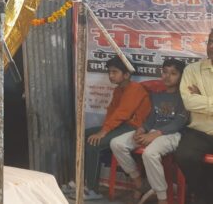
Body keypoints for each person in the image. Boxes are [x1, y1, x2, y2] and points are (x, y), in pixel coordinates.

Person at [66, 56, 151, 200]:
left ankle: (92, 189)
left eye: (114, 72)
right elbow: (112, 113)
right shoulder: (118, 90)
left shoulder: (135, 88)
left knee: (94, 143)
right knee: (81, 135)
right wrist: (104, 130)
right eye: (109, 72)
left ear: (126, 75)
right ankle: (80, 181)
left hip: (134, 127)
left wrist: (103, 132)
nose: (110, 75)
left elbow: (122, 113)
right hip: (121, 125)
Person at [110, 58, 188, 204]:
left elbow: (179, 122)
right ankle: (139, 183)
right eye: (165, 72)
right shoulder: (157, 95)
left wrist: (155, 134)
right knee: (116, 143)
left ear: (181, 76)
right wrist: (142, 129)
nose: (167, 76)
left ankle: (162, 198)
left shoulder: (184, 96)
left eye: (173, 73)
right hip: (152, 131)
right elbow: (151, 117)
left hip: (172, 134)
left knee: (149, 153)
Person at [175, 29, 213, 204]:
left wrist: (202, 99)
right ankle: (204, 196)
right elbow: (189, 103)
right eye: (210, 42)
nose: (211, 46)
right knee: (184, 155)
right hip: (199, 131)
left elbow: (196, 102)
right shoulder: (192, 70)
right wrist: (196, 99)